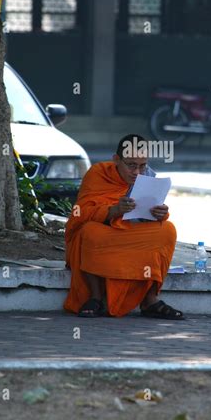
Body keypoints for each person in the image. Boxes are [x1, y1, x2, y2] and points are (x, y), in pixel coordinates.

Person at [63, 134, 184, 319]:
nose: (137, 172)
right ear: (116, 160)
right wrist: (114, 210)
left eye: (142, 165)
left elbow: (148, 212)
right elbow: (80, 213)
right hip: (106, 233)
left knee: (167, 230)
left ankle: (150, 300)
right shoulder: (98, 173)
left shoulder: (148, 176)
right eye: (131, 165)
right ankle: (96, 297)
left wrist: (160, 213)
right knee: (89, 232)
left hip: (132, 233)